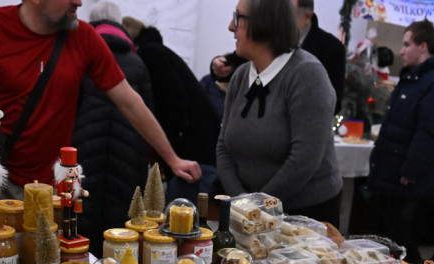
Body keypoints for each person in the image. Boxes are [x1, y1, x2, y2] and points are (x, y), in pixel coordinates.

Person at [0, 0, 199, 198]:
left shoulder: (83, 38)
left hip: (51, 192)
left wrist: (172, 158)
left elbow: (130, 102)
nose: (79, 2)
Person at [216, 0, 342, 225]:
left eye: (238, 18)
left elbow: (304, 159)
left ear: (265, 23)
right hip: (249, 214)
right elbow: (224, 146)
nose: (230, 26)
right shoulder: (240, 76)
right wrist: (242, 203)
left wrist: (257, 206)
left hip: (304, 218)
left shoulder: (307, 74)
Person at [366, 19, 434, 260]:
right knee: (392, 230)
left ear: (423, 46)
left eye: (407, 44)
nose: (402, 50)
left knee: (402, 233)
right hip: (393, 165)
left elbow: (430, 131)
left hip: (406, 173)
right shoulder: (416, 76)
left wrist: (412, 169)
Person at [72, 2, 153, 254]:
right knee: (120, 229)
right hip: (127, 158)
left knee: (80, 225)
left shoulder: (81, 57)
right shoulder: (137, 63)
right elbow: (148, 114)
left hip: (82, 153)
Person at [124, 16, 221, 204]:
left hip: (190, 143)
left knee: (187, 204)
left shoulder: (149, 53)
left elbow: (174, 100)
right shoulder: (158, 50)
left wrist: (169, 150)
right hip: (198, 137)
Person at [210, 0, 346, 115]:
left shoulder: (328, 51)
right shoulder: (264, 45)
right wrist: (220, 67)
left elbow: (332, 104)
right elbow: (235, 63)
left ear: (307, 17)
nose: (279, 17)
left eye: (287, 12)